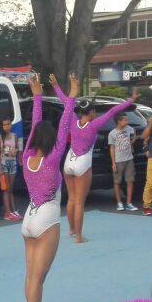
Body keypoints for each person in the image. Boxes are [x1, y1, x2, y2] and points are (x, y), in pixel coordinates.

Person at [19, 73, 76, 302]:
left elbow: (33, 129)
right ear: (51, 139)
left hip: (29, 218)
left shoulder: (26, 156)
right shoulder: (52, 159)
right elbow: (64, 125)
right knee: (38, 279)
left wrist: (38, 96)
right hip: (46, 220)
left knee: (31, 276)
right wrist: (72, 96)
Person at [55, 84, 133, 241]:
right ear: (90, 113)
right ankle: (79, 236)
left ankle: (71, 229)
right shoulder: (94, 125)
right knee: (79, 202)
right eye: (94, 111)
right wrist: (130, 100)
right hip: (83, 164)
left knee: (71, 198)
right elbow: (113, 111)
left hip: (69, 161)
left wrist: (56, 85)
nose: (95, 114)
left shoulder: (72, 119)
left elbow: (65, 101)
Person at [109, 113, 138, 212]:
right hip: (118, 160)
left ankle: (129, 203)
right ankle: (119, 202)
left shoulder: (129, 128)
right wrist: (113, 162)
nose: (127, 122)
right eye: (125, 120)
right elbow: (112, 148)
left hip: (129, 159)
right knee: (117, 181)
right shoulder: (112, 133)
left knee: (130, 181)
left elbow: (134, 131)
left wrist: (133, 139)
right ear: (119, 121)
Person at [0, 117, 21, 220]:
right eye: (4, 124)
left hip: (13, 163)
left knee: (11, 188)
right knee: (6, 188)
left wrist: (15, 151)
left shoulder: (14, 136)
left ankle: (14, 211)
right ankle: (7, 212)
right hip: (4, 163)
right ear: (2, 126)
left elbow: (17, 148)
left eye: (8, 124)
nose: (7, 126)